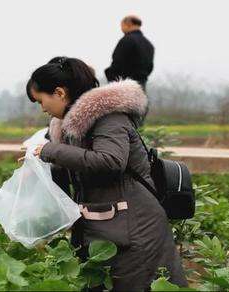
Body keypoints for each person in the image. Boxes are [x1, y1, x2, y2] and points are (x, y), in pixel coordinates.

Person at [26, 57, 187, 290]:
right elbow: (75, 170)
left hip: (136, 231)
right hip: (107, 229)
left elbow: (110, 161)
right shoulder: (69, 128)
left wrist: (51, 151)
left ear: (59, 93)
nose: (42, 109)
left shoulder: (109, 118)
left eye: (41, 101)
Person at [104, 15, 155, 90]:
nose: (121, 28)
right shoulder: (148, 44)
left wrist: (111, 76)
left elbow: (117, 63)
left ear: (128, 24)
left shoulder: (127, 40)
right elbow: (150, 67)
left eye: (122, 25)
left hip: (124, 87)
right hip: (141, 87)